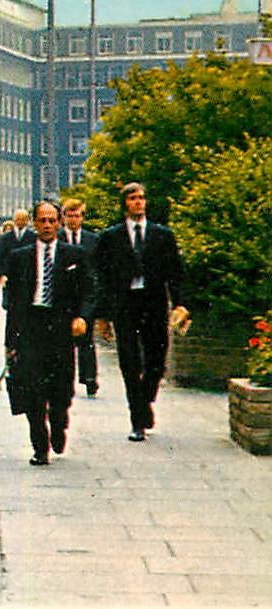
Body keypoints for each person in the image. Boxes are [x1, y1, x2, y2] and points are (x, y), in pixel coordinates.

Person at [93, 182, 190, 441]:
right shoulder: (111, 238)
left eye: (142, 198)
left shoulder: (162, 235)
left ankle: (145, 399)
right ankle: (137, 419)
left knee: (157, 360)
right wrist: (102, 315)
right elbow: (101, 277)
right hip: (125, 304)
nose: (138, 202)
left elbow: (175, 273)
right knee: (129, 360)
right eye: (133, 198)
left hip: (154, 302)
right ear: (125, 203)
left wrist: (180, 303)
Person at [1, 200, 94, 465]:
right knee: (32, 389)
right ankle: (39, 446)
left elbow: (89, 291)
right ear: (34, 223)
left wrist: (82, 317)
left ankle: (58, 423)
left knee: (62, 388)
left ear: (59, 223)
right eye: (42, 220)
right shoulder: (20, 257)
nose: (47, 226)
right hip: (32, 326)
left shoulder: (73, 255)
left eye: (52, 221)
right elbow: (15, 303)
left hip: (62, 327)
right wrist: (10, 342)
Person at [60, 198, 102, 397]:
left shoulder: (92, 240)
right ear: (64, 217)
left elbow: (99, 269)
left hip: (86, 296)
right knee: (64, 341)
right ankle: (65, 379)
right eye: (70, 215)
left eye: (77, 216)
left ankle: (90, 378)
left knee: (86, 338)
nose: (74, 219)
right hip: (63, 297)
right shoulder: (57, 238)